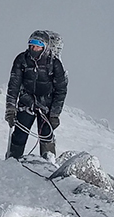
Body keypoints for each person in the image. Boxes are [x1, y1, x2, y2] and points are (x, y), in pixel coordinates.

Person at [5, 30, 68, 159]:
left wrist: (55, 114)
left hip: (47, 106)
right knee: (19, 135)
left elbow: (61, 90)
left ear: (44, 47)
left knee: (46, 136)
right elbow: (13, 85)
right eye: (32, 45)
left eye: (37, 46)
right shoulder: (21, 60)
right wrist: (10, 108)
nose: (34, 48)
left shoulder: (54, 64)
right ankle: (12, 161)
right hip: (26, 102)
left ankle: (48, 164)